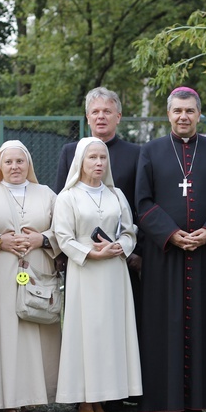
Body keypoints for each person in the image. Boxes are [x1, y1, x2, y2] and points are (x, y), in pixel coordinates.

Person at [135, 86, 206, 412]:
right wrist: (170, 234)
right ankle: (170, 405)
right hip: (164, 256)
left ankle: (199, 404)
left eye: (189, 111)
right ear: (168, 114)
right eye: (177, 111)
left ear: (198, 114)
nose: (183, 117)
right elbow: (142, 202)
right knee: (165, 326)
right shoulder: (150, 151)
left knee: (203, 325)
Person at [53, 137, 141, 412]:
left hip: (115, 274)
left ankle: (104, 397)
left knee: (112, 334)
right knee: (88, 335)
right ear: (81, 161)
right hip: (86, 273)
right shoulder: (68, 197)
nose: (99, 163)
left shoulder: (116, 195)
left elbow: (130, 232)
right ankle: (85, 401)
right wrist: (92, 252)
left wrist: (120, 247)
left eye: (103, 158)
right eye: (92, 158)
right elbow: (63, 238)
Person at [0, 140, 61, 412]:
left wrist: (42, 238)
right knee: (5, 337)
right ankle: (8, 404)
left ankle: (32, 399)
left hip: (38, 269)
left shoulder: (46, 193)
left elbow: (64, 230)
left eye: (20, 161)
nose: (15, 167)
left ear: (29, 164)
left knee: (35, 334)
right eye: (9, 162)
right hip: (0, 272)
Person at [54, 87, 142, 294]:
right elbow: (60, 201)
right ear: (87, 117)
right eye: (95, 112)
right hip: (82, 253)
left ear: (118, 117)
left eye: (107, 111)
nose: (100, 116)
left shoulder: (137, 154)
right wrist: (62, 253)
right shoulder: (70, 151)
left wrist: (136, 250)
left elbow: (141, 205)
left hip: (123, 253)